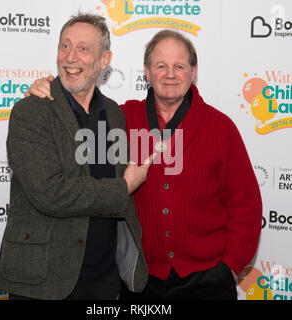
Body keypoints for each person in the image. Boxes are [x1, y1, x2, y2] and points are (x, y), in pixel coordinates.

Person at [26, 29, 263, 300]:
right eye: (161, 66)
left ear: (193, 72)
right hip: (139, 280)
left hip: (208, 280)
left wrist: (229, 268)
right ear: (147, 73)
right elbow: (72, 122)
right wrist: (46, 92)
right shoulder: (120, 118)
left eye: (180, 66)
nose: (170, 74)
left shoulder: (221, 128)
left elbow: (246, 205)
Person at [0, 13, 153, 300]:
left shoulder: (115, 114)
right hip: (43, 282)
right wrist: (124, 187)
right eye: (64, 46)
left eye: (83, 48)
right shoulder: (31, 111)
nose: (70, 57)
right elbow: (50, 192)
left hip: (104, 281)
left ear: (104, 60)